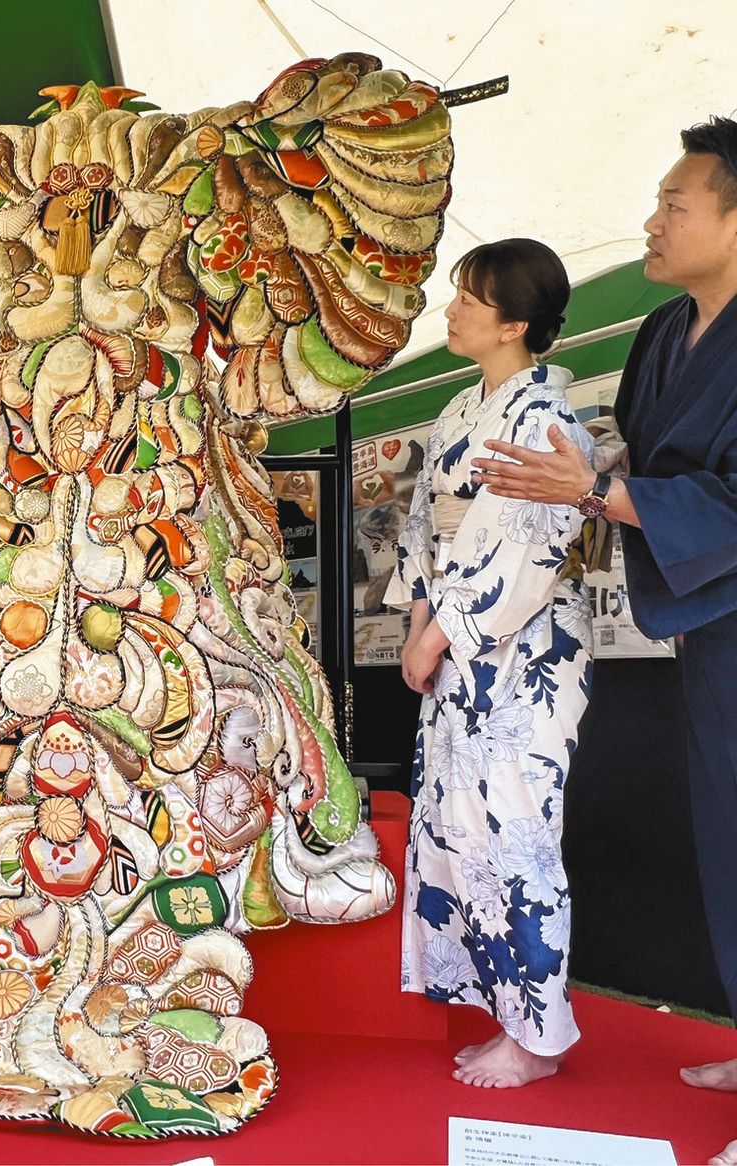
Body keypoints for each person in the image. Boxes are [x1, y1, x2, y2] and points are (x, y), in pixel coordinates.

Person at [468, 118, 737, 1158]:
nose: (651, 221)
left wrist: (603, 490)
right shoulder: (666, 332)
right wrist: (586, 476)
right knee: (723, 837)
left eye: (676, 203)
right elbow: (634, 460)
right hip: (710, 628)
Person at [385, 239, 595, 1088]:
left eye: (470, 299)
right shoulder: (457, 413)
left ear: (513, 323)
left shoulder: (543, 417)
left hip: (526, 653)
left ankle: (540, 1038)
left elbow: (523, 546)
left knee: (517, 833)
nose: (453, 310)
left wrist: (437, 633)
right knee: (462, 829)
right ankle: (506, 1014)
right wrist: (420, 616)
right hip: (459, 647)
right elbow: (426, 530)